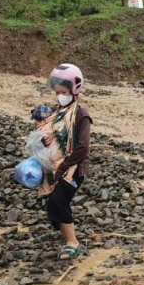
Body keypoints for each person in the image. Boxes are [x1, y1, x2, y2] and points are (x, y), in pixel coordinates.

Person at [39, 64, 92, 260]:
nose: (60, 96)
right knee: (53, 203)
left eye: (63, 92)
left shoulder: (81, 115)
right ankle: (64, 234)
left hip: (73, 168)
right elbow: (50, 134)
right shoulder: (57, 112)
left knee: (58, 199)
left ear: (74, 89)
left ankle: (73, 242)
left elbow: (83, 147)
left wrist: (63, 167)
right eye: (57, 92)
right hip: (55, 165)